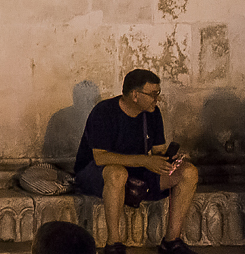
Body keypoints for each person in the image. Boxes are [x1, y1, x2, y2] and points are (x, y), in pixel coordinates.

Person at [73, 68, 199, 254]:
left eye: (158, 93)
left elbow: (158, 150)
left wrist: (168, 159)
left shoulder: (152, 113)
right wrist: (145, 161)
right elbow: (100, 157)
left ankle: (172, 242)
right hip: (98, 173)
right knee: (117, 173)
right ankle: (114, 244)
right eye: (152, 94)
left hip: (137, 171)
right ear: (134, 95)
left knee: (189, 172)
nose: (157, 99)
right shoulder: (104, 112)